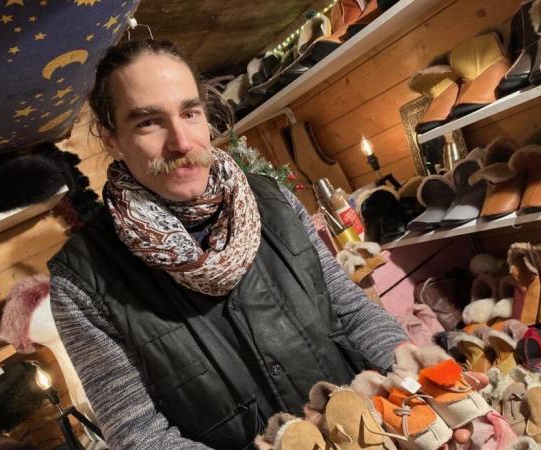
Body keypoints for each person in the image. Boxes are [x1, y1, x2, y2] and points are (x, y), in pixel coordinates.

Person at [48, 39, 408, 450]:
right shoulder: (82, 282)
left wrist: (414, 379)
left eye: (190, 113)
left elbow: (352, 312)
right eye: (148, 122)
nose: (181, 142)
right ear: (111, 139)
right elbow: (138, 434)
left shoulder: (272, 201)